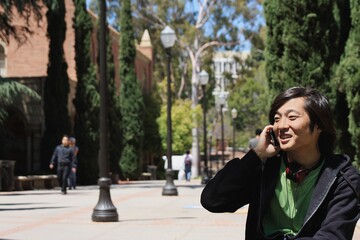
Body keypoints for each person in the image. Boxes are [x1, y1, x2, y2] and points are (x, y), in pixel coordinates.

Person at [201, 87, 360, 239]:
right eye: (277, 119)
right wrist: (256, 155)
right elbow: (213, 200)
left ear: (318, 125)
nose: (282, 126)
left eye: (292, 117)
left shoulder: (343, 178)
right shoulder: (265, 169)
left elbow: (333, 235)